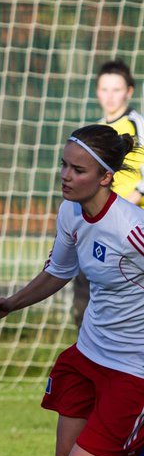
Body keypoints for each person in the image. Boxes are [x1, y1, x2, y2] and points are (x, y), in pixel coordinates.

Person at [0, 124, 144, 456]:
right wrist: (11, 302)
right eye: (64, 165)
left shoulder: (133, 230)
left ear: (106, 177)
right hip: (88, 355)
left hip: (133, 369)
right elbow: (59, 270)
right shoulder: (71, 211)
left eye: (78, 169)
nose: (65, 176)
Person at [72, 60, 144, 325]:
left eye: (116, 89)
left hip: (127, 230)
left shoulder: (136, 125)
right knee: (86, 305)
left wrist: (120, 207)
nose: (110, 96)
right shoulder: (98, 131)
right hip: (98, 228)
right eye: (104, 89)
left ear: (129, 92)